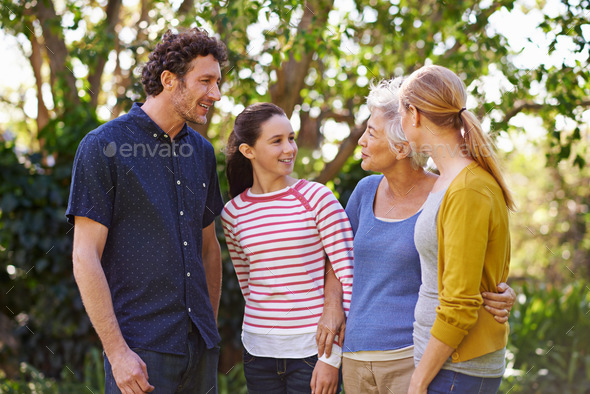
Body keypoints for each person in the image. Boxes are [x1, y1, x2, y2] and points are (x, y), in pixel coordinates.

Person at [316, 78, 515, 394]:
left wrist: (495, 288)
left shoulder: (455, 188)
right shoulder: (371, 191)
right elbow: (339, 261)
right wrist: (331, 346)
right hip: (364, 354)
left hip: (418, 358)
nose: (361, 141)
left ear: (405, 138)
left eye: (372, 132)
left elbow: (462, 283)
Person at [67, 28, 227, 394]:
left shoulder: (201, 152)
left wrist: (209, 331)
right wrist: (117, 352)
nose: (215, 94)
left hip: (200, 351)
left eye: (217, 82)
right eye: (205, 81)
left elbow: (209, 248)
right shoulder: (104, 146)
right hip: (140, 352)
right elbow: (84, 256)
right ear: (169, 80)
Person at [220, 102, 354, 394]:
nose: (289, 148)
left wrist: (331, 358)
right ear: (248, 151)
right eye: (277, 141)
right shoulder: (233, 213)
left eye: (291, 138)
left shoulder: (318, 198)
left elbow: (348, 274)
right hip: (258, 352)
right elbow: (249, 284)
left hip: (312, 352)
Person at [398, 65, 515, 393]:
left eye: (400, 113)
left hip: (457, 369)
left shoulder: (468, 189)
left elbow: (461, 302)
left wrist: (418, 382)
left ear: (414, 114)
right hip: (440, 363)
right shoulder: (446, 181)